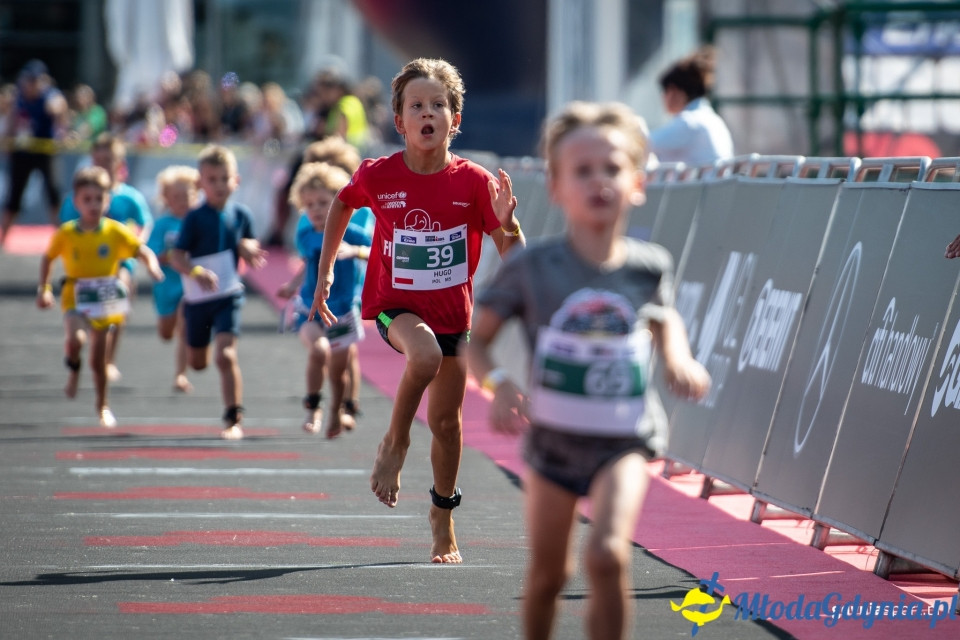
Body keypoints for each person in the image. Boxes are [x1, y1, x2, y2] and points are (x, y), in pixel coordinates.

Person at [463, 101, 711, 640]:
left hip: (624, 438)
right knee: (553, 573)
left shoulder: (650, 266)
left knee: (606, 556)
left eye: (612, 168)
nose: (599, 181)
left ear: (637, 182)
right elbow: (475, 343)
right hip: (553, 443)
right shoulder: (531, 267)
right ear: (556, 187)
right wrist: (498, 384)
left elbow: (663, 318)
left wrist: (678, 357)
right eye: (582, 170)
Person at [308, 57, 525, 564]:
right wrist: (325, 273)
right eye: (416, 106)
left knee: (448, 424)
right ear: (400, 121)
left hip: (455, 317)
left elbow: (516, 257)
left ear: (456, 120)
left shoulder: (473, 183)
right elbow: (342, 204)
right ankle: (395, 440)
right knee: (422, 355)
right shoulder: (379, 176)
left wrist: (507, 223)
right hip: (395, 308)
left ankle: (442, 516)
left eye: (439, 105)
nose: (428, 113)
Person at [37, 166, 164, 427]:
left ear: (108, 201)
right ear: (76, 201)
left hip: (104, 299)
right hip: (75, 297)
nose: (93, 205)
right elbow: (48, 257)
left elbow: (142, 250)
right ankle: (73, 366)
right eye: (87, 199)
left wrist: (151, 265)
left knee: (98, 362)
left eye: (99, 199)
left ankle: (102, 405)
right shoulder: (67, 233)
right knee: (75, 339)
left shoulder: (114, 231)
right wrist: (45, 288)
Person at [169, 145, 267, 440]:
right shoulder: (195, 217)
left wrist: (248, 248)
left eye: (225, 178)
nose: (219, 185)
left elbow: (249, 245)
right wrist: (196, 272)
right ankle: (191, 337)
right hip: (198, 301)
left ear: (235, 180)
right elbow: (177, 257)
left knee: (225, 356)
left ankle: (233, 417)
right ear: (201, 183)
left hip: (228, 295)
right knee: (198, 363)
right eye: (212, 179)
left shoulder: (241, 214)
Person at [277, 162, 371, 437]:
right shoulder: (306, 236)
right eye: (310, 205)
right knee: (319, 352)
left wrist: (354, 251)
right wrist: (292, 285)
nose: (316, 210)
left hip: (342, 310)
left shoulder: (353, 234)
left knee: (339, 371)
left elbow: (379, 252)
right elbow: (310, 264)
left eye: (323, 202)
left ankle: (337, 411)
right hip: (310, 307)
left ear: (339, 202)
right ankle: (312, 408)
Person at [60, 133, 154, 382]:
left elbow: (145, 222)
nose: (103, 164)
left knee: (119, 306)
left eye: (109, 159)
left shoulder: (129, 197)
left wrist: (139, 243)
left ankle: (108, 361)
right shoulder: (78, 198)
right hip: (87, 265)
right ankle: (82, 352)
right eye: (98, 159)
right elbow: (66, 227)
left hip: (121, 261)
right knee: (87, 317)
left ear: (119, 163)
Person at [0, 60, 67, 248]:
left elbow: (58, 108)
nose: (28, 84)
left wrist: (51, 102)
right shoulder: (19, 97)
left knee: (53, 194)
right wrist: (7, 140)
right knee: (14, 196)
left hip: (45, 151)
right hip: (23, 151)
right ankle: (3, 240)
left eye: (33, 80)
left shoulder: (50, 95)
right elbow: (12, 120)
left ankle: (63, 239)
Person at [147, 165, 200, 393]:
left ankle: (180, 375)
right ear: (166, 198)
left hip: (189, 286)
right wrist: (174, 256)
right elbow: (153, 253)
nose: (182, 201)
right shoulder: (162, 225)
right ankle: (168, 328)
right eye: (176, 196)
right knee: (166, 332)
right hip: (165, 286)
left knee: (185, 327)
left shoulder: (199, 221)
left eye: (187, 196)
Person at [649, 47, 734, 167]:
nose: (663, 98)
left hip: (701, 185)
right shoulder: (712, 120)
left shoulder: (689, 122)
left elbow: (641, 144)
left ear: (676, 92)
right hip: (715, 184)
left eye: (666, 91)